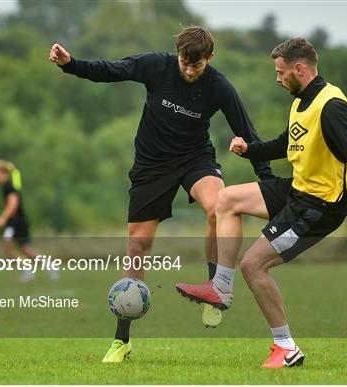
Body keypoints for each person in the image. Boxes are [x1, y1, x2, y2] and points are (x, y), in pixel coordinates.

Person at [176, 38, 347, 369]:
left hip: (319, 207)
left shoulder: (331, 106)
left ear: (300, 68)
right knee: (226, 199)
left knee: (254, 265)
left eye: (281, 71)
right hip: (298, 190)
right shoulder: (301, 101)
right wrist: (250, 150)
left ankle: (286, 348)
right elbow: (288, 144)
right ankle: (220, 288)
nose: (277, 78)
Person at [48, 26, 274, 363]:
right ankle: (120, 341)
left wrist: (267, 181)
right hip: (151, 166)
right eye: (185, 62)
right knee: (138, 246)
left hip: (195, 159)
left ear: (209, 59)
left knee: (219, 206)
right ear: (178, 54)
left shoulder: (219, 87)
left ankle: (216, 287)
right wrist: (70, 64)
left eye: (196, 65)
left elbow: (248, 132)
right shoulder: (157, 65)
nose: (188, 69)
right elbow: (112, 70)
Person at [0, 160, 58, 283]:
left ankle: (32, 269)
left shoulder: (8, 185)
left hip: (16, 222)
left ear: (0, 171)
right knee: (23, 248)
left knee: (10, 247)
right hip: (16, 222)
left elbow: (13, 203)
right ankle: (43, 267)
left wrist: (3, 218)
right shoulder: (7, 185)